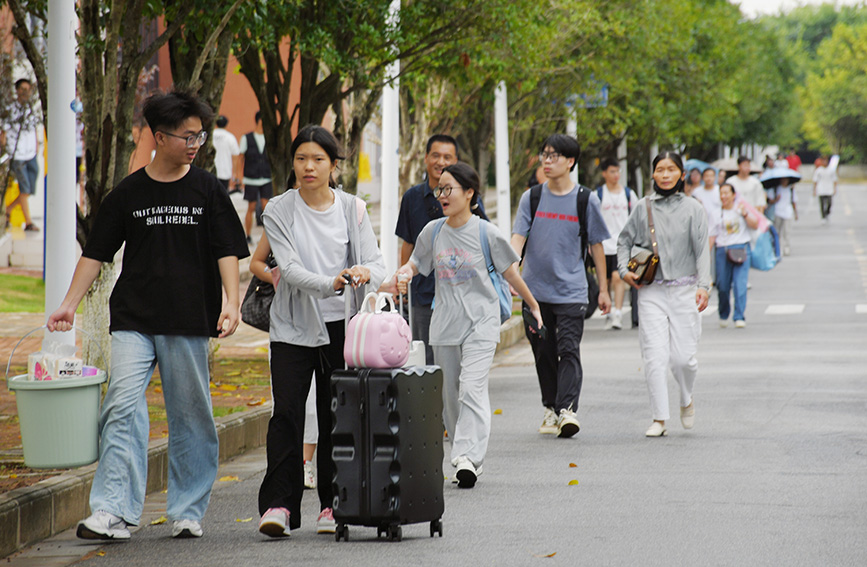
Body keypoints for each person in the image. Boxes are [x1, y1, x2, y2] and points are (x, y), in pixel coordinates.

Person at [46, 90, 248, 540]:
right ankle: (113, 510)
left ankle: (188, 509)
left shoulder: (207, 190)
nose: (195, 144)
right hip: (134, 317)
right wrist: (68, 303)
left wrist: (231, 303)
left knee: (190, 414)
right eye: (187, 136)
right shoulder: (128, 193)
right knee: (121, 405)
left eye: (200, 136)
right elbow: (96, 254)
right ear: (160, 137)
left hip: (190, 316)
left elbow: (227, 250)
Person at [256, 124, 386, 537]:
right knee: (287, 415)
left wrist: (365, 271)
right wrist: (331, 281)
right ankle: (279, 505)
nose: (308, 167)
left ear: (333, 165)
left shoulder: (353, 208)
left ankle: (333, 505)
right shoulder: (278, 209)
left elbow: (377, 264)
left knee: (336, 416)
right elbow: (288, 269)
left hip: (342, 327)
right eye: (300, 159)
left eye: (318, 159)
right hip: (293, 326)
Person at [393, 162, 542, 489]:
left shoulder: (486, 232)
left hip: (482, 322)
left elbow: (511, 274)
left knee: (472, 388)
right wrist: (403, 274)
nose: (442, 196)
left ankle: (466, 457)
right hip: (444, 324)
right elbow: (416, 263)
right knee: (450, 395)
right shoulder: (432, 232)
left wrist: (532, 304)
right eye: (439, 190)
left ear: (470, 192)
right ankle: (466, 453)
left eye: (449, 189)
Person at [511, 135, 611, 438]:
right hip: (534, 293)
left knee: (568, 349)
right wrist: (511, 270)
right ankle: (551, 408)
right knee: (543, 352)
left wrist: (604, 289)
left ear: (570, 162)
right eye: (544, 155)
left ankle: (567, 409)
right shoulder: (531, 198)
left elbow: (596, 246)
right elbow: (518, 238)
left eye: (554, 156)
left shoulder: (585, 199)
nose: (547, 160)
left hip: (572, 290)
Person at [617, 152, 711, 438]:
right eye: (660, 170)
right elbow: (624, 241)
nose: (666, 174)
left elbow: (702, 250)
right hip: (651, 291)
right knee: (654, 356)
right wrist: (623, 271)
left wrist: (703, 286)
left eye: (671, 170)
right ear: (653, 175)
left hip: (685, 290)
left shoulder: (694, 208)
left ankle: (686, 398)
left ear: (681, 175)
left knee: (684, 359)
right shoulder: (643, 207)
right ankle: (659, 418)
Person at [395, 135, 487, 365]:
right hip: (424, 295)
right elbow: (408, 244)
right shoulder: (412, 197)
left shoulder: (469, 196)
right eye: (435, 155)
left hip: (462, 294)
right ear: (426, 158)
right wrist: (403, 283)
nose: (440, 161)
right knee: (425, 360)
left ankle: (456, 400)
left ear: (456, 161)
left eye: (447, 157)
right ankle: (434, 403)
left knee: (461, 361)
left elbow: (482, 241)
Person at [249, 230, 318, 491]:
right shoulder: (279, 219)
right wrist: (277, 276)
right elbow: (255, 262)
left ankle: (306, 462)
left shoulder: (338, 212)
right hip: (285, 320)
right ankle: (287, 468)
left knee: (313, 402)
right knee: (286, 400)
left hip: (323, 316)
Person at [596, 157, 637, 330]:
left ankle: (618, 313)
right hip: (603, 245)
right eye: (612, 171)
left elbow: (636, 217)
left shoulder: (628, 194)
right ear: (604, 173)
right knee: (604, 280)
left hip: (622, 244)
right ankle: (609, 311)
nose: (615, 175)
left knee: (617, 277)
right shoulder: (597, 195)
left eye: (618, 171)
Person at [713, 183, 759, 328]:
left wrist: (745, 214)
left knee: (740, 285)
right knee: (723, 286)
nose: (723, 196)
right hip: (722, 250)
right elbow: (711, 236)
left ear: (734, 195)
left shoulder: (741, 208)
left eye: (727, 193)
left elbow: (755, 224)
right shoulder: (715, 213)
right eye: (721, 193)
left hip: (741, 249)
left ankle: (739, 316)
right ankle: (723, 312)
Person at [1, 78, 42, 231]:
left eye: (28, 89)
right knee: (24, 189)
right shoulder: (11, 110)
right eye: (22, 89)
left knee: (29, 189)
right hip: (17, 154)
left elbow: (34, 129)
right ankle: (29, 222)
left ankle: (7, 211)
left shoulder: (32, 109)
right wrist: (6, 151)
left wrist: (37, 146)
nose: (26, 92)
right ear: (17, 90)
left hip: (31, 153)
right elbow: (3, 132)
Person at [238, 111, 272, 245]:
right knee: (251, 206)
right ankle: (248, 235)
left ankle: (268, 236)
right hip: (251, 178)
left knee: (266, 206)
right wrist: (238, 176)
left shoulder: (269, 138)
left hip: (266, 177)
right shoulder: (246, 138)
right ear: (260, 121)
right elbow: (240, 158)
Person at [212, 115, 240, 195]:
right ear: (226, 124)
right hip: (225, 172)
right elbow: (235, 156)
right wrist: (234, 174)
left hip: (210, 171)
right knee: (222, 196)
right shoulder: (230, 137)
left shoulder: (210, 136)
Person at [773, 177, 798, 255]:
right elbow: (770, 200)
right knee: (777, 232)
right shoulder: (776, 189)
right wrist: (776, 199)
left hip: (788, 212)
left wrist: (795, 213)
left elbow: (794, 201)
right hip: (778, 212)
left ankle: (786, 248)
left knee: (787, 232)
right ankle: (777, 248)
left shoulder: (791, 189)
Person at [813, 156, 837, 224]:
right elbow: (815, 180)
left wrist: (834, 189)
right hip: (821, 189)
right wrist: (814, 190)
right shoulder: (818, 170)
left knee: (829, 203)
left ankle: (827, 213)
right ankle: (823, 217)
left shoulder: (831, 170)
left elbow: (835, 180)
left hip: (829, 189)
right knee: (822, 204)